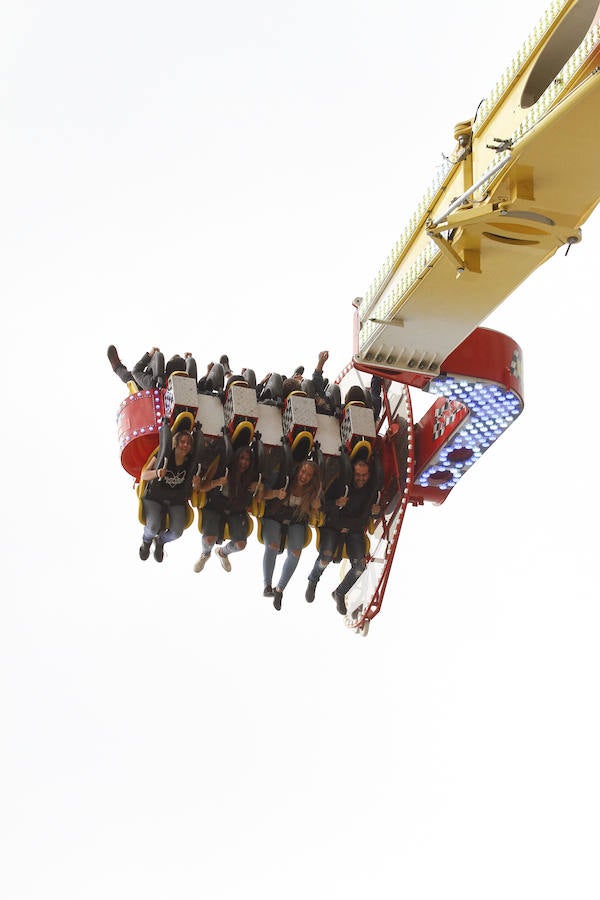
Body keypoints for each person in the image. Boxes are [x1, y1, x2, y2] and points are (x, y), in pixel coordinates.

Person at [304, 459, 379, 615]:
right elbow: (322, 504)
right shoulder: (341, 485)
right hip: (333, 527)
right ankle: (313, 580)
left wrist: (376, 511)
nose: (361, 478)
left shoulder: (371, 492)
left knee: (359, 567)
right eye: (358, 475)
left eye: (364, 475)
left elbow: (372, 513)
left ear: (369, 475)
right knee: (325, 558)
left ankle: (340, 592)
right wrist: (336, 503)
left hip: (354, 531)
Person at [261, 461, 322, 611]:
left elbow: (319, 509)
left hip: (296, 522)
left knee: (295, 553)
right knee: (272, 546)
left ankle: (279, 590)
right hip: (274, 517)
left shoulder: (313, 491)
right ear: (297, 471)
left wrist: (317, 506)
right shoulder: (283, 479)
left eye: (308, 474)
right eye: (303, 472)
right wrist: (276, 493)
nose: (304, 476)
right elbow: (261, 494)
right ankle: (267, 585)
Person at [193, 446, 260, 574]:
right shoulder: (223, 469)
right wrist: (217, 482)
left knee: (240, 545)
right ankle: (205, 554)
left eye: (247, 460)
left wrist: (259, 487)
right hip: (216, 507)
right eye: (241, 458)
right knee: (209, 539)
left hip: (236, 511)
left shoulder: (251, 476)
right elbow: (202, 487)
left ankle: (222, 553)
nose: (244, 462)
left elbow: (259, 497)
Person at [139, 431, 200, 562]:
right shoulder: (163, 455)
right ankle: (146, 541)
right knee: (153, 526)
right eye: (182, 442)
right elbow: (144, 475)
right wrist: (157, 473)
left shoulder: (191, 462)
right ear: (176, 443)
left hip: (175, 500)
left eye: (188, 443)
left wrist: (196, 484)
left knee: (177, 532)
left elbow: (196, 488)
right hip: (155, 497)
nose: (185, 445)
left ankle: (160, 542)